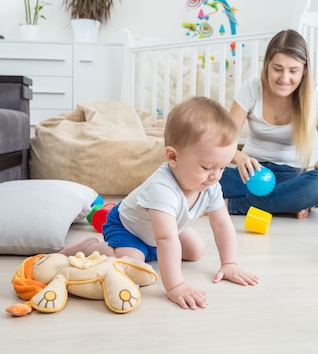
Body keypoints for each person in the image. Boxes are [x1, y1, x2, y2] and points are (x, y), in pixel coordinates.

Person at [60, 96, 258, 310]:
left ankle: (149, 252)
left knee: (195, 250)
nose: (215, 176)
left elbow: (221, 224)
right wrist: (176, 286)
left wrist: (229, 264)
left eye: (221, 167)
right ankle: (93, 246)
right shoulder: (161, 189)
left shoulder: (209, 185)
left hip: (164, 229)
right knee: (132, 264)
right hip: (128, 229)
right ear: (173, 157)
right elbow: (165, 238)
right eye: (207, 167)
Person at [220, 29, 318, 219]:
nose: (284, 79)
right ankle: (286, 203)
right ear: (267, 65)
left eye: (293, 71)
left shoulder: (317, 97)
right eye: (277, 69)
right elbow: (223, 141)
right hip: (250, 174)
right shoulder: (251, 89)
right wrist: (239, 157)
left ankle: (233, 205)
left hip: (291, 177)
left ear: (304, 71)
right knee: (205, 176)